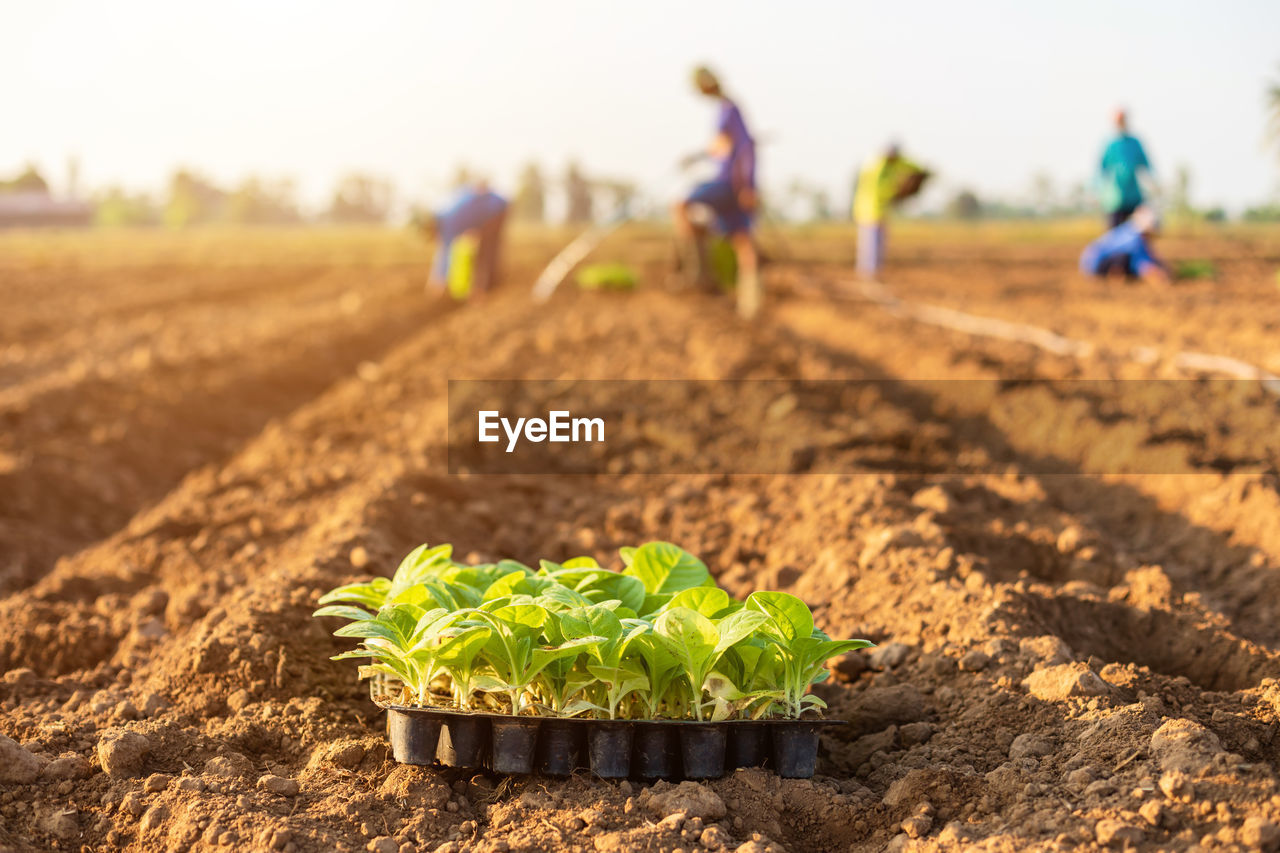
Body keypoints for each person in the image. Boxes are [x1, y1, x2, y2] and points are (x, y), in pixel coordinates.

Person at [672, 65, 761, 319]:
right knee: (743, 242)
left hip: (729, 183)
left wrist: (748, 186)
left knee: (680, 205)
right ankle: (750, 305)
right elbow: (726, 147)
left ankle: (699, 275)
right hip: (735, 183)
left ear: (709, 85)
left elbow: (742, 149)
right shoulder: (728, 109)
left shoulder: (729, 110)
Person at [852, 144, 929, 280]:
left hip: (881, 211)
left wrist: (920, 172)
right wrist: (896, 192)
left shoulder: (896, 162)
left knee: (879, 241)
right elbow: (880, 190)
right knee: (871, 242)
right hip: (868, 209)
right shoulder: (876, 168)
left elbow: (913, 167)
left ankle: (875, 271)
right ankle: (868, 273)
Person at [425, 183, 508, 299]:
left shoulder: (448, 224)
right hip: (491, 205)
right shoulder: (444, 212)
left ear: (432, 227)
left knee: (486, 249)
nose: (434, 238)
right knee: (481, 248)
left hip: (496, 210)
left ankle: (480, 290)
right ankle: (488, 282)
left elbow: (445, 254)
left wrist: (438, 281)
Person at [1079, 206, 1169, 285]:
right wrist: (1161, 276)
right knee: (1125, 259)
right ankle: (1115, 275)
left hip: (1089, 262)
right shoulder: (1136, 241)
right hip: (1095, 266)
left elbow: (1149, 257)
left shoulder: (1129, 229)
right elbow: (1145, 267)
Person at [1098, 109, 1154, 228]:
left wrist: (1153, 182)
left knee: (1138, 230)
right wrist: (1098, 190)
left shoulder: (1135, 143)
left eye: (1122, 120)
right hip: (1115, 198)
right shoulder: (1111, 144)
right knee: (1114, 234)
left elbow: (1146, 164)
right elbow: (1101, 169)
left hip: (1134, 196)